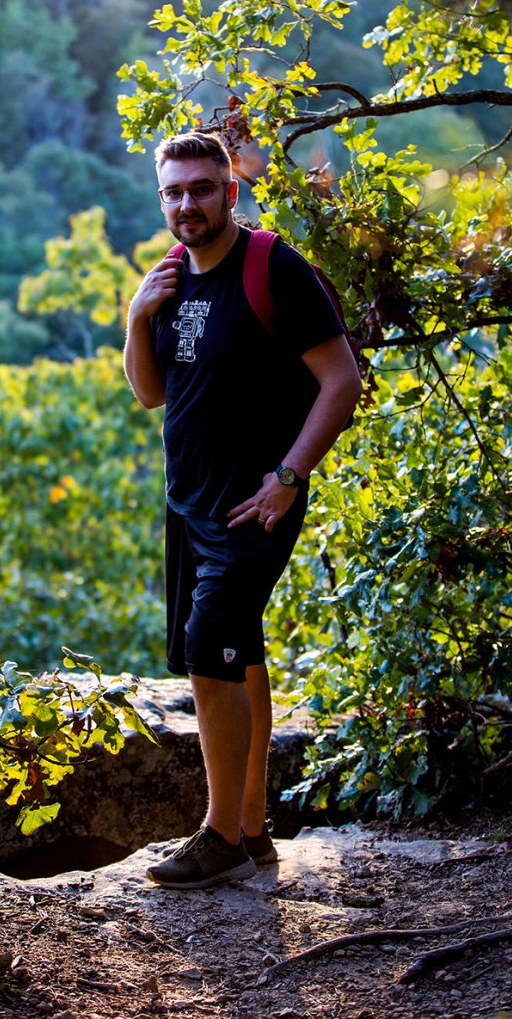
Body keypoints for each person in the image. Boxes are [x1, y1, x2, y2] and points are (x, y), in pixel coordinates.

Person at [124, 130, 362, 890]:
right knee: (237, 651)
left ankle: (220, 833)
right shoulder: (169, 279)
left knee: (208, 649)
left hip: (252, 504)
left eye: (201, 188)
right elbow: (150, 391)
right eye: (173, 192)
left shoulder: (272, 268)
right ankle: (253, 829)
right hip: (188, 503)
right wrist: (136, 318)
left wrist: (289, 477)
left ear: (231, 192)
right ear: (162, 200)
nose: (187, 203)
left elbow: (341, 381)